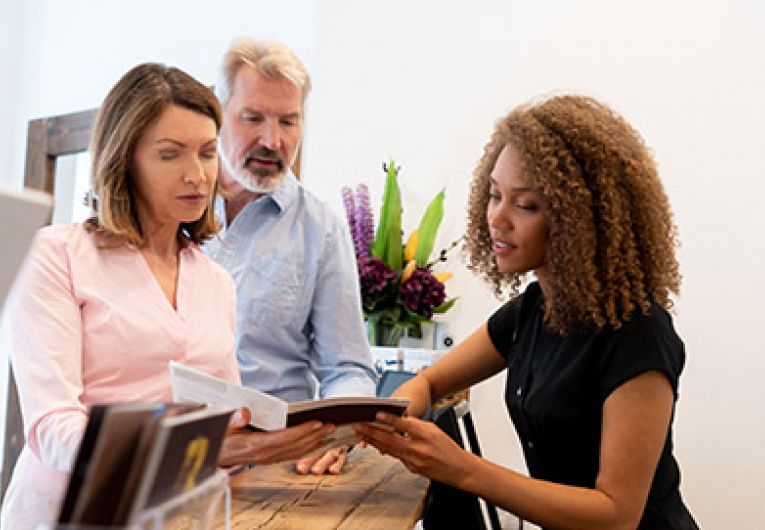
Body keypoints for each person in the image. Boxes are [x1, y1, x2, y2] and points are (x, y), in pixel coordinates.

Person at [0, 63, 333, 530]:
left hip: (180, 516)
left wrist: (263, 436)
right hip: (69, 516)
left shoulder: (215, 281)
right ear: (124, 160)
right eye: (170, 154)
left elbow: (228, 416)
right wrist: (214, 446)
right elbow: (52, 430)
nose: (197, 175)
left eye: (207, 153)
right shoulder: (57, 256)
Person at [355, 95, 698, 529]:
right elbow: (431, 380)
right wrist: (385, 422)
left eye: (526, 205)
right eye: (495, 195)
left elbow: (616, 515)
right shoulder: (531, 312)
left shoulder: (638, 334)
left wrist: (459, 467)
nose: (497, 219)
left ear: (579, 219)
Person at [205, 38, 377, 475]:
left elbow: (349, 367)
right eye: (253, 118)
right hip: (178, 466)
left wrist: (337, 436)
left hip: (279, 472)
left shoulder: (320, 229)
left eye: (288, 121)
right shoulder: (171, 211)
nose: (273, 140)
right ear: (217, 114)